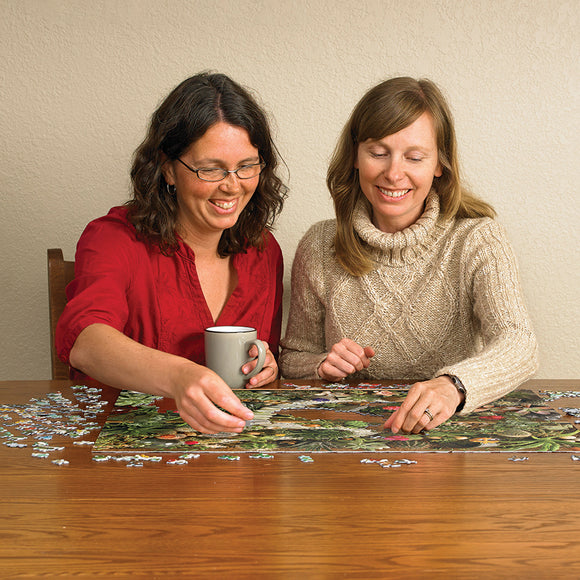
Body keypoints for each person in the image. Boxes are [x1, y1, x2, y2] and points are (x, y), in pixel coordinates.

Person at [280, 76, 538, 434]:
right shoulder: (319, 244)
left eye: (414, 157)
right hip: (350, 439)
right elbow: (292, 359)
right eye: (378, 153)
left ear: (439, 164)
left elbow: (519, 343)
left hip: (449, 435)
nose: (393, 173)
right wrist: (323, 365)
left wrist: (453, 386)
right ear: (356, 155)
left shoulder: (478, 238)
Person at [56, 72, 287, 434]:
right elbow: (86, 342)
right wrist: (180, 377)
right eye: (209, 169)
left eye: (246, 166)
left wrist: (268, 366)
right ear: (167, 168)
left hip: (232, 458)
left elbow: (262, 367)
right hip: (125, 454)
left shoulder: (264, 251)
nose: (232, 185)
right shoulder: (113, 239)